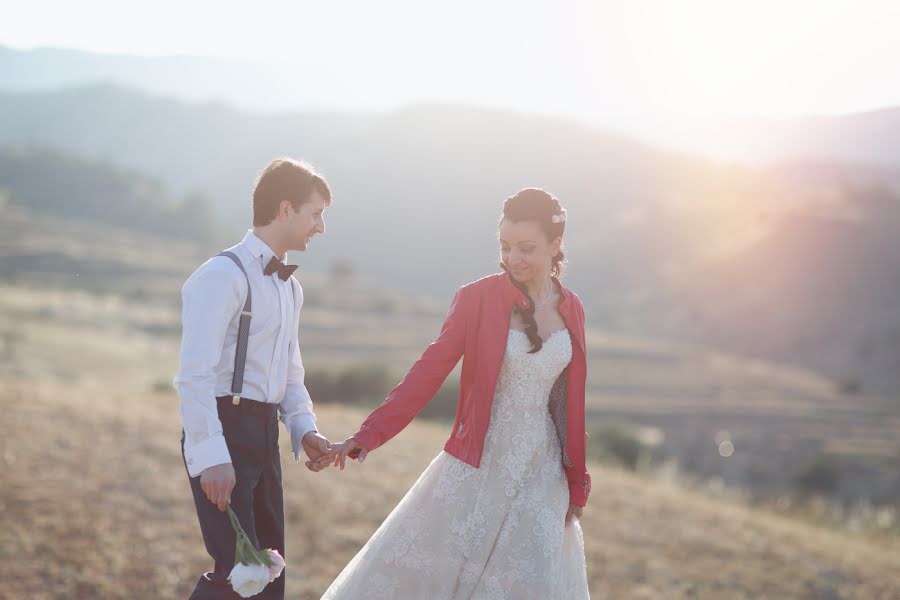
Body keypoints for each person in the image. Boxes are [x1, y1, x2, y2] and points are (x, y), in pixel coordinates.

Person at [323, 188, 591, 599]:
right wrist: (367, 436)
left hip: (544, 470)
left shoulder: (573, 308)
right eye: (504, 246)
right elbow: (427, 373)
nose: (513, 257)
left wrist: (577, 483)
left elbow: (570, 406)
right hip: (479, 462)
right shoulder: (476, 299)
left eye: (526, 247)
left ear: (556, 246)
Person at [174, 158, 338, 599]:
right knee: (239, 574)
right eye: (315, 213)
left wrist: (305, 430)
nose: (320, 226)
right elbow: (194, 376)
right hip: (223, 430)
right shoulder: (221, 276)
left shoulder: (290, 287)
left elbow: (290, 373)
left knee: (268, 573)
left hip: (264, 435)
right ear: (286, 209)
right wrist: (211, 455)